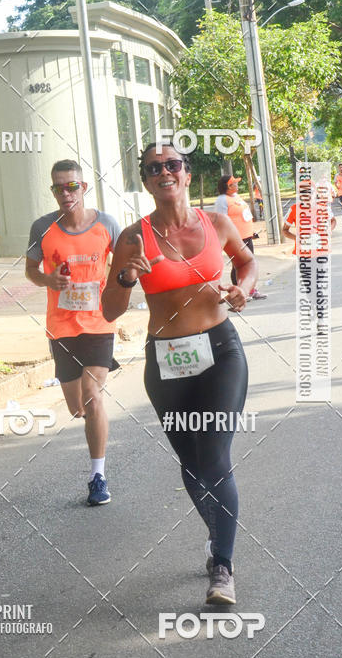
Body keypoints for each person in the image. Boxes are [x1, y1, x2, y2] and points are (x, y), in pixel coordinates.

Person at [102, 144, 257, 605]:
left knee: (213, 455)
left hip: (220, 350)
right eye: (154, 168)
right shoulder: (133, 238)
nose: (164, 172)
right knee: (192, 464)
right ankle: (218, 534)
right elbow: (109, 310)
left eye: (172, 164)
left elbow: (246, 263)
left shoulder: (216, 224)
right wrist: (127, 278)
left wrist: (242, 288)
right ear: (146, 181)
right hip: (167, 360)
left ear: (187, 174)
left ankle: (223, 568)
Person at [25, 159, 121, 504]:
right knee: (77, 407)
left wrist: (120, 289)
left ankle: (98, 476)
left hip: (99, 323)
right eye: (59, 188)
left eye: (73, 186)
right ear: (52, 191)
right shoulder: (43, 227)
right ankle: (89, 424)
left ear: (84, 187)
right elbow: (31, 270)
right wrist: (48, 279)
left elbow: (124, 262)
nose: (66, 193)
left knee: (94, 397)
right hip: (62, 326)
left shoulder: (107, 224)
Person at [214, 175, 266, 300]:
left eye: (236, 183)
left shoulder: (236, 197)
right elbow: (221, 220)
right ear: (227, 186)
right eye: (234, 184)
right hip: (235, 238)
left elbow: (244, 215)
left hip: (246, 235)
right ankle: (238, 292)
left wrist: (252, 232)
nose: (237, 185)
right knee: (238, 265)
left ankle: (250, 290)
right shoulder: (222, 200)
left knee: (249, 263)